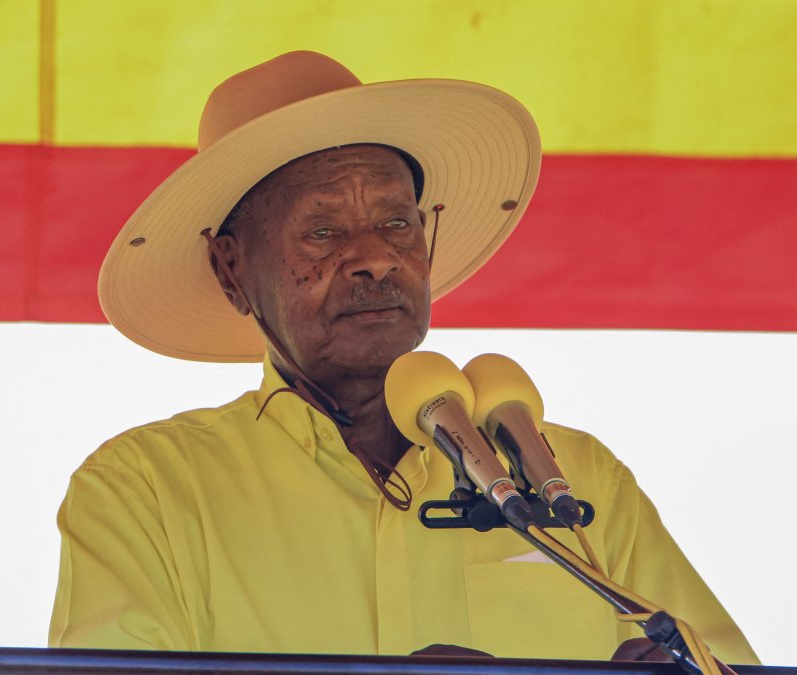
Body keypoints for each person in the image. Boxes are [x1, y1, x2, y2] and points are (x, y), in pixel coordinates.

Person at [48, 51, 758, 664]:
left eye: (396, 222)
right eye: (323, 231)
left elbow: (723, 664)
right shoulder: (146, 488)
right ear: (233, 270)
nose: (374, 259)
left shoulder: (571, 477)